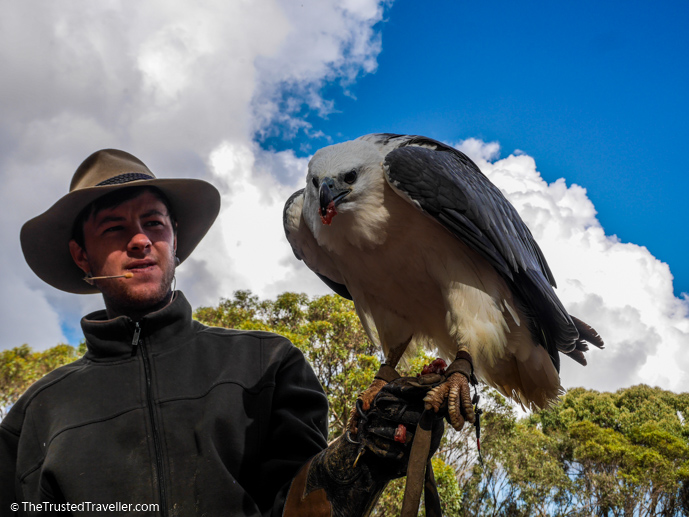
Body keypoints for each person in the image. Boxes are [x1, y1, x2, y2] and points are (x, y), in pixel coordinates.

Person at [0, 149, 447, 516]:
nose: (139, 241)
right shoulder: (34, 417)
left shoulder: (266, 365)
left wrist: (359, 456)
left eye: (153, 224)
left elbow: (297, 508)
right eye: (114, 229)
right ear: (82, 257)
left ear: (175, 240)